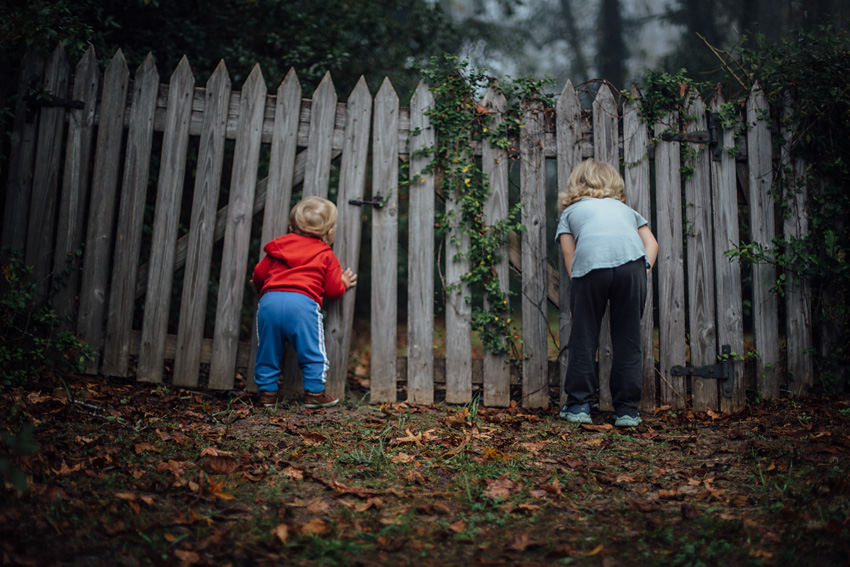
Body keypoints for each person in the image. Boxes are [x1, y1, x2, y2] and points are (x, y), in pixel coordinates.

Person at [555, 158, 658, 427]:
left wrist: (578, 293)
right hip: (633, 265)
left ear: (577, 183)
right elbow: (652, 244)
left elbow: (571, 255)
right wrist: (639, 274)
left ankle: (578, 406)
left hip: (590, 268)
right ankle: (627, 411)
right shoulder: (626, 210)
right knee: (628, 338)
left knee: (584, 335)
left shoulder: (570, 211)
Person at [252, 196, 357, 408]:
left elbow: (259, 275)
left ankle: (267, 394)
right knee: (312, 350)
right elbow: (333, 290)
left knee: (268, 350)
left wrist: (259, 283)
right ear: (329, 233)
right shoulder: (326, 254)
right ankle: (315, 393)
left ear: (292, 225)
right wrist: (343, 282)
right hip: (302, 305)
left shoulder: (277, 248)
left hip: (270, 302)